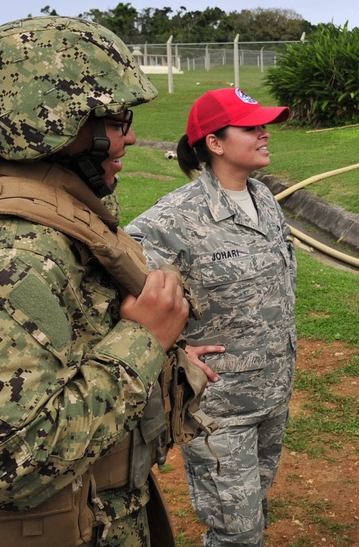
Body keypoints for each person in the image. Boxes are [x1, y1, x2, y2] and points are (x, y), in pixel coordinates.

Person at [0, 16, 218, 546]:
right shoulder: (18, 255)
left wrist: (158, 352)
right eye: (117, 120)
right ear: (55, 126)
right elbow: (1, 463)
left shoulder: (30, 201)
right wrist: (144, 343)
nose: (131, 136)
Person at [127, 87, 297, 547]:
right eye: (251, 127)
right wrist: (171, 350)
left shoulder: (263, 198)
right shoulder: (175, 217)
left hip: (272, 394)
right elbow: (115, 285)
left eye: (263, 125)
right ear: (215, 143)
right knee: (235, 534)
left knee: (253, 511)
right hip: (219, 410)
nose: (264, 133)